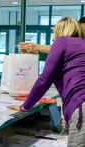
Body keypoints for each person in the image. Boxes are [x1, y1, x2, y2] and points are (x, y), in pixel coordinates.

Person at [7, 17, 85, 146]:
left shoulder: (62, 41)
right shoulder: (82, 44)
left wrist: (25, 106)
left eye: (55, 34)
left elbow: (44, 80)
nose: (54, 38)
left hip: (81, 106)